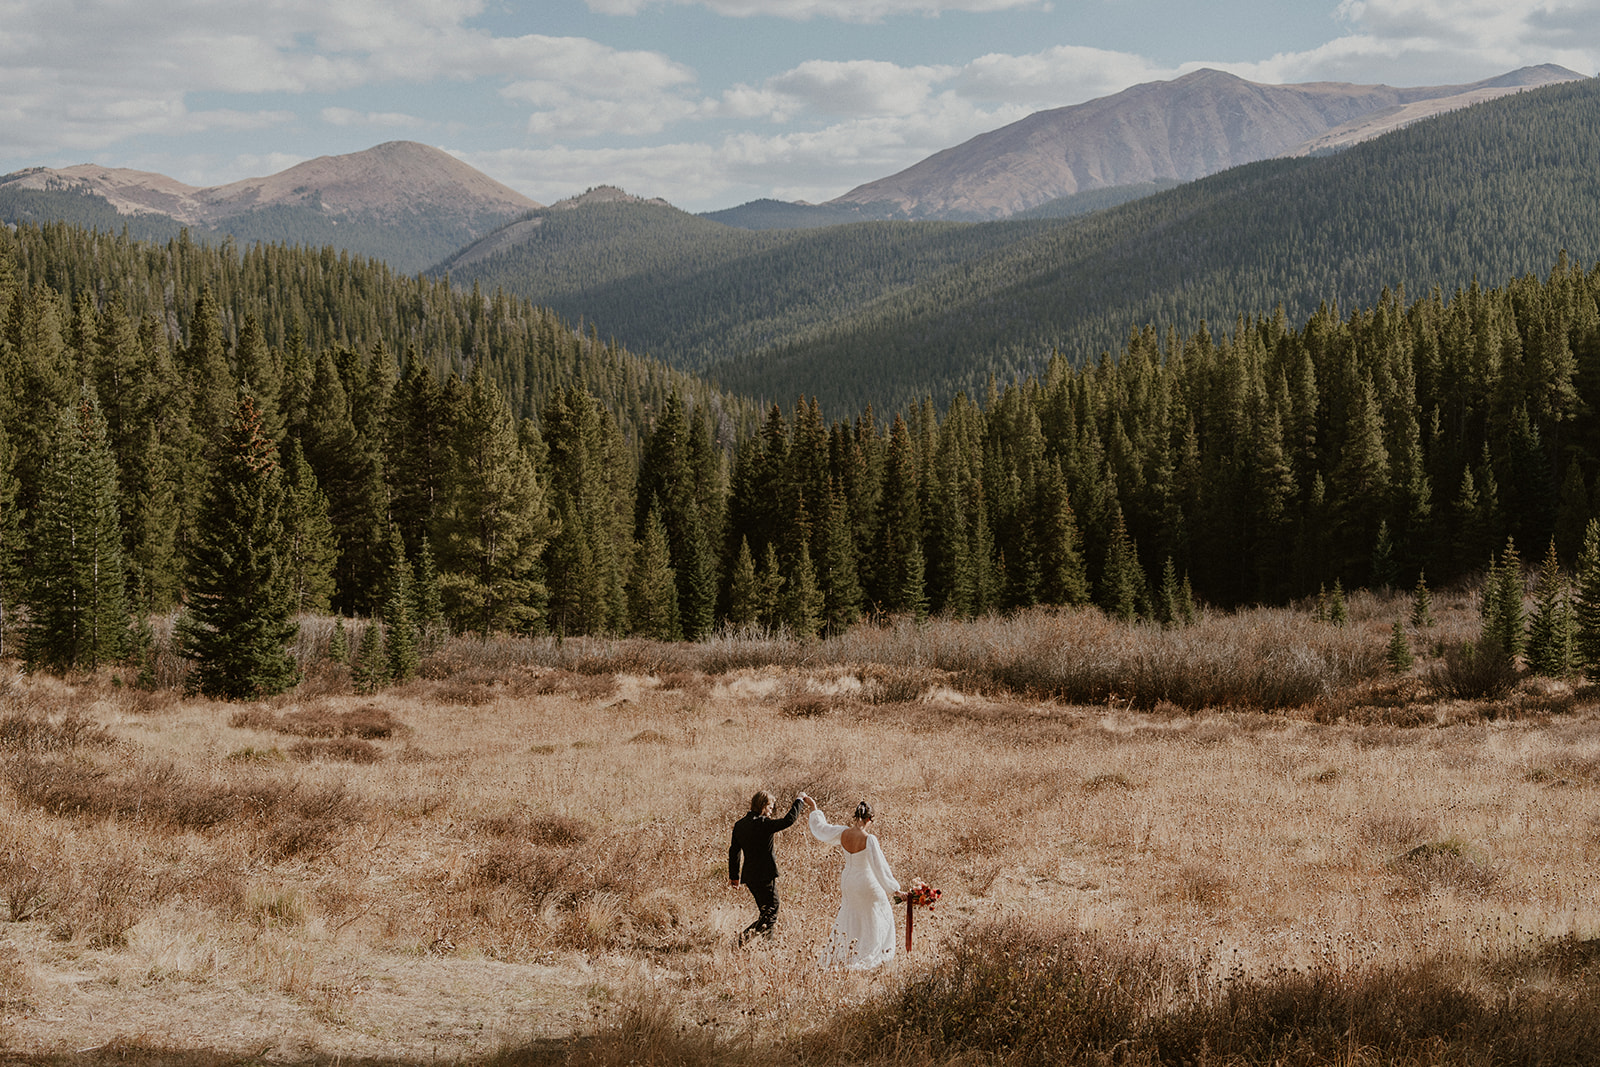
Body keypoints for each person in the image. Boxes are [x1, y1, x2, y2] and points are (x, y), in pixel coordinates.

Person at [805, 796, 901, 970]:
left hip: (848, 882)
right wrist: (895, 890)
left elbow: (821, 828)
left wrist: (813, 807)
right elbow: (879, 868)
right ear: (869, 819)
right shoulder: (869, 839)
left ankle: (845, 952)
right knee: (879, 915)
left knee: (851, 916)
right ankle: (872, 952)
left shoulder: (843, 833)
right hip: (865, 882)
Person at [728, 789, 806, 944]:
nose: (771, 811)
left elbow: (734, 852)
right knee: (771, 913)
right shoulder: (763, 823)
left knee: (766, 913)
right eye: (770, 807)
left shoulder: (739, 825)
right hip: (765, 876)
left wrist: (734, 876)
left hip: (750, 877)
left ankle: (767, 947)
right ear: (763, 805)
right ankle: (740, 941)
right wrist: (799, 800)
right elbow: (788, 821)